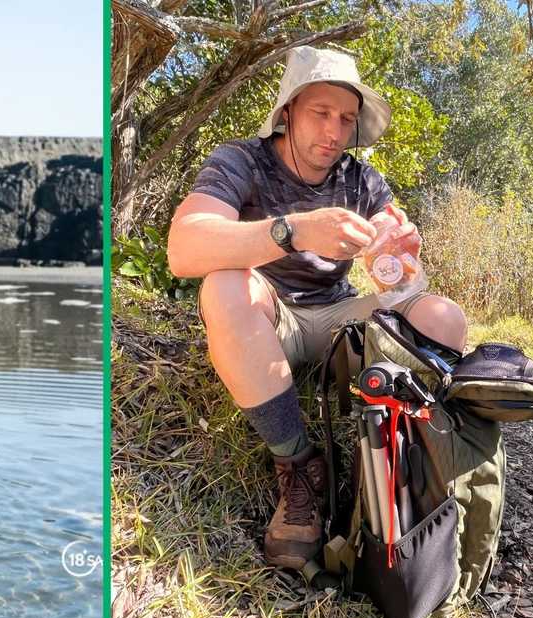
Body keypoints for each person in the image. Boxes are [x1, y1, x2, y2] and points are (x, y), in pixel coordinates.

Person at [166, 47, 467, 571]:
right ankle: (299, 465)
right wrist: (296, 230)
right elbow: (184, 248)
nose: (333, 132)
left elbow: (402, 277)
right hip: (268, 311)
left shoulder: (361, 180)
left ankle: (415, 466)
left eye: (346, 119)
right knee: (224, 286)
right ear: (288, 112)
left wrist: (401, 258)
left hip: (338, 318)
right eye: (320, 113)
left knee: (445, 318)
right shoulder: (242, 160)